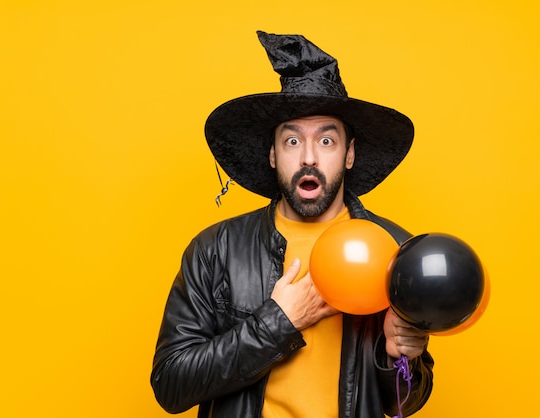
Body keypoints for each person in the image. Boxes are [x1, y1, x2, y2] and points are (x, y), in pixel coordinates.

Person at [151, 31, 434, 418]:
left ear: (349, 154)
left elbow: (406, 402)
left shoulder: (393, 252)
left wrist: (398, 357)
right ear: (272, 154)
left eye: (327, 141)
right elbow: (170, 384)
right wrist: (277, 323)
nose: (310, 158)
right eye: (292, 142)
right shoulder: (216, 249)